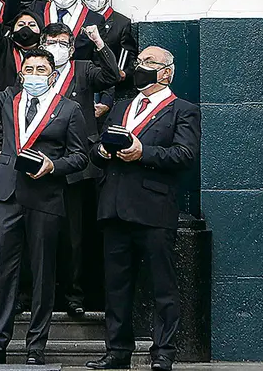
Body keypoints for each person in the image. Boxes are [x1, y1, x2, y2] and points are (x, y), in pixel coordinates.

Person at [0, 42, 88, 366]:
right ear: (22, 73)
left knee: (42, 273)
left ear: (52, 76)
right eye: (29, 70)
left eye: (41, 71)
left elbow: (80, 156)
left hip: (45, 196)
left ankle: (36, 345)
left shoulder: (68, 109)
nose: (34, 75)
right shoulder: (8, 99)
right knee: (2, 273)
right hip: (8, 194)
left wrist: (54, 165)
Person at [86, 47, 200, 371]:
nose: (141, 67)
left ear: (167, 72)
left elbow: (185, 155)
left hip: (154, 209)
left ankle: (163, 351)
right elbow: (95, 148)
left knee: (163, 284)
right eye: (139, 62)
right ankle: (117, 350)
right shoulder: (121, 107)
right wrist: (103, 153)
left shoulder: (183, 110)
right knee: (116, 285)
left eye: (149, 63)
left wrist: (143, 152)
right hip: (115, 207)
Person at [39, 22, 121, 315]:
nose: (56, 47)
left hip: (77, 164)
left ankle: (74, 296)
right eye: (51, 41)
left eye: (62, 42)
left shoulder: (83, 69)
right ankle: (37, 294)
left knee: (75, 236)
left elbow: (112, 75)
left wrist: (99, 42)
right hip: (42, 163)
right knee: (41, 235)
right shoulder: (35, 71)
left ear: (71, 48)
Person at [81, 0, 139, 88]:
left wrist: (123, 73)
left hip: (107, 87)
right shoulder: (73, 18)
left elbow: (129, 56)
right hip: (79, 84)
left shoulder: (121, 23)